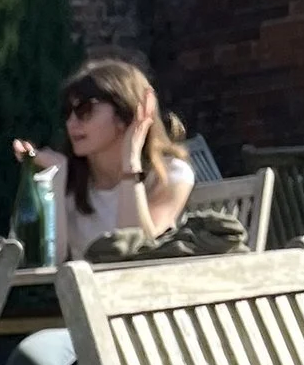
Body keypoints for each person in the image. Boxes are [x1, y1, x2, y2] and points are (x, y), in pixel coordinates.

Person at [13, 60, 193, 259]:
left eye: (84, 110)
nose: (71, 122)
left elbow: (137, 249)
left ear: (125, 114)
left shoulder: (171, 175)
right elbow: (50, 262)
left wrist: (130, 161)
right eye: (67, 112)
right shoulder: (67, 179)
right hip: (83, 288)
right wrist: (57, 178)